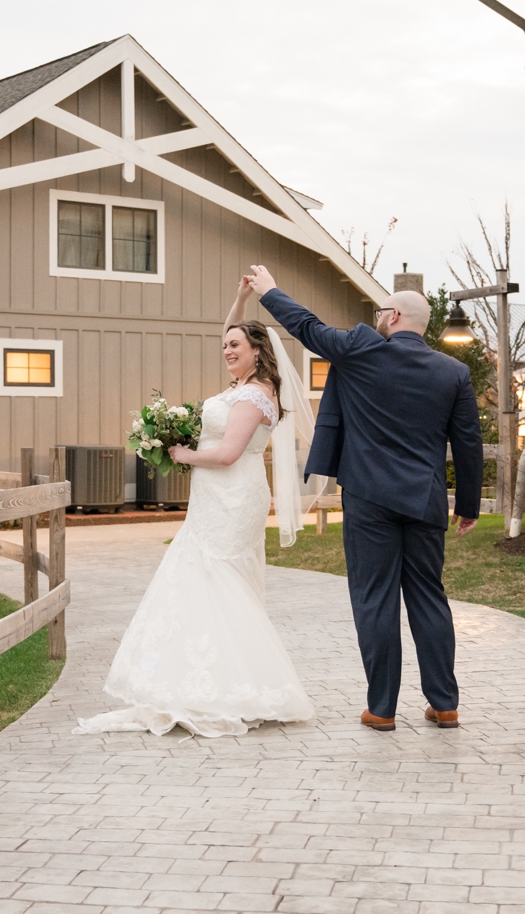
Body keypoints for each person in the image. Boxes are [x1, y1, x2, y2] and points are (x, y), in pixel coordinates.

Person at [76, 277, 319, 737]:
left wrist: (184, 456)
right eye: (225, 345)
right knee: (204, 578)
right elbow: (230, 332)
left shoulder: (253, 394)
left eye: (235, 345)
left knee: (221, 580)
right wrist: (242, 299)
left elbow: (227, 454)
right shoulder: (242, 383)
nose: (227, 349)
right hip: (214, 496)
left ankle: (232, 686)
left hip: (233, 495)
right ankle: (204, 679)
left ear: (256, 351)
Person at [249, 264, 483, 731]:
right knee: (429, 598)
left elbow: (308, 329)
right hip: (424, 500)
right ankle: (445, 703)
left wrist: (271, 291)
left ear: (393, 316)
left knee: (375, 598)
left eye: (381, 312)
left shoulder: (361, 348)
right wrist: (469, 506)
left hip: (369, 498)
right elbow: (469, 443)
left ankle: (382, 709)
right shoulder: (453, 372)